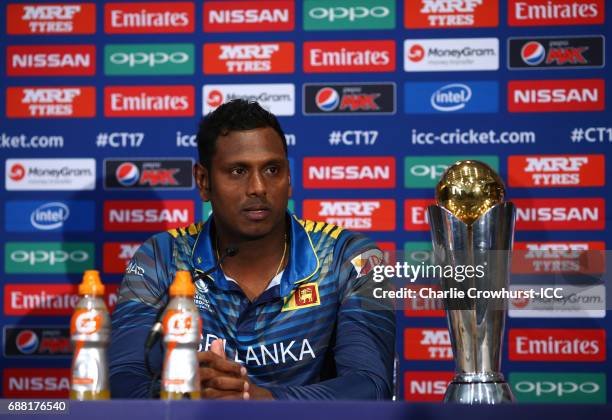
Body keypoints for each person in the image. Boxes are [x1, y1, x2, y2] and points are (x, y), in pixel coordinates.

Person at [109, 99, 396, 400]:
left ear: (289, 178)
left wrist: (262, 402)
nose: (258, 187)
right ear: (203, 182)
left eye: (272, 169)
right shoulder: (161, 257)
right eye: (238, 171)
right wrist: (185, 393)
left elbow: (370, 386)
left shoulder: (351, 257)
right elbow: (122, 378)